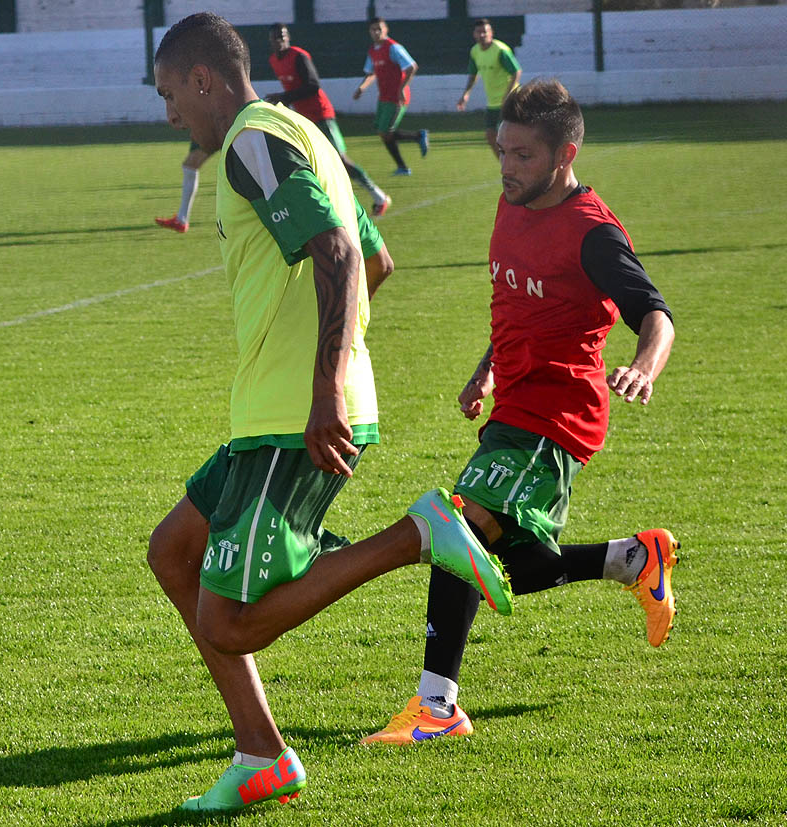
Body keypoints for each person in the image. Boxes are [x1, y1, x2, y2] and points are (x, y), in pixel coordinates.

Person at [148, 12, 513, 812]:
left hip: (295, 413)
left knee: (232, 623)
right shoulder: (301, 131)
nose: (171, 113)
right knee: (174, 551)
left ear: (203, 78)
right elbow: (377, 258)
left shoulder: (250, 141)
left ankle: (420, 533)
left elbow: (342, 255)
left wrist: (323, 386)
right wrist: (327, 360)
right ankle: (261, 754)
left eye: (172, 93)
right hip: (276, 409)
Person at [363, 78, 679, 746]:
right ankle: (632, 558)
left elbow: (656, 314)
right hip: (514, 405)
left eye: (523, 156)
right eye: (502, 152)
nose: (507, 168)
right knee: (512, 563)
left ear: (564, 154)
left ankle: (436, 707)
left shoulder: (592, 233)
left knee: (461, 524)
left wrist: (643, 367)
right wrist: (485, 372)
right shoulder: (513, 204)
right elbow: (519, 302)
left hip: (558, 414)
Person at [265, 23, 391, 217]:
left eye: (283, 36)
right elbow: (291, 90)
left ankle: (379, 197)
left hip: (321, 114)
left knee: (340, 160)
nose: (280, 40)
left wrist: (283, 97)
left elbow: (313, 85)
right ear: (271, 41)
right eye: (276, 37)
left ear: (288, 37)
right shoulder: (274, 60)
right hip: (304, 119)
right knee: (309, 163)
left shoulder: (298, 56)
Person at [353, 18, 428, 176]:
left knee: (386, 131)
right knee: (382, 132)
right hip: (384, 97)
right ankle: (407, 157)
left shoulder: (393, 47)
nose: (376, 32)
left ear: (386, 30)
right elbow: (371, 73)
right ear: (369, 32)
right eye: (373, 29)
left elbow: (411, 67)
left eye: (379, 29)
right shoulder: (373, 50)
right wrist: (362, 88)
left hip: (397, 97)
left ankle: (408, 156)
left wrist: (401, 88)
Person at [456, 18, 522, 159]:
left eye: (485, 32)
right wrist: (465, 94)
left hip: (510, 101)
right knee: (490, 135)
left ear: (491, 33)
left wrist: (508, 95)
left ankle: (520, 164)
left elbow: (516, 71)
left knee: (512, 136)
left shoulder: (500, 50)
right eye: (478, 32)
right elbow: (473, 74)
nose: (482, 35)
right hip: (493, 102)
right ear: (474, 34)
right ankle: (505, 165)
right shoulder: (475, 52)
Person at [156, 141, 213, 233]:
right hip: (212, 129)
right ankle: (181, 219)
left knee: (190, 165)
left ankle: (181, 220)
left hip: (216, 129)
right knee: (190, 165)